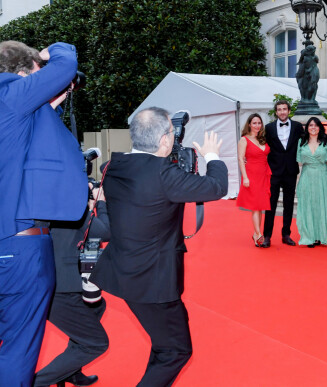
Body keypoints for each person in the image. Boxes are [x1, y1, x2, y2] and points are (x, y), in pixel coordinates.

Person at [90, 107, 228, 386]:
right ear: (165, 140)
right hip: (153, 281)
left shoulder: (112, 167)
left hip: (125, 273)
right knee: (177, 350)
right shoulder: (165, 175)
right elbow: (216, 187)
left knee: (165, 343)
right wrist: (212, 155)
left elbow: (146, 171)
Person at [0, 41, 88, 386]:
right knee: (17, 349)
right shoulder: (12, 91)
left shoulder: (18, 110)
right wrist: (56, 50)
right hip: (17, 246)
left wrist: (46, 108)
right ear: (24, 74)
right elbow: (65, 68)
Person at [34, 182, 110, 387]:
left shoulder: (48, 205)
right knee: (96, 343)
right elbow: (105, 232)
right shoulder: (73, 210)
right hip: (60, 288)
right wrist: (101, 204)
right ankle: (36, 383)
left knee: (96, 306)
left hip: (57, 278)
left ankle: (71, 372)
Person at [262, 100, 302, 248]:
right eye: (279, 110)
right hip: (274, 172)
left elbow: (306, 141)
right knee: (270, 205)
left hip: (291, 172)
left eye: (284, 109)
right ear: (276, 112)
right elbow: (262, 146)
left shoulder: (297, 127)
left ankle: (286, 234)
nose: (282, 112)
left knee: (289, 205)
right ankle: (267, 236)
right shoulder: (269, 128)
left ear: (289, 110)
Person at [295, 117, 327, 247]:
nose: (313, 127)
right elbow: (298, 159)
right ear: (307, 127)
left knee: (321, 204)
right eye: (310, 125)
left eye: (316, 125)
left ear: (320, 127)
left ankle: (319, 235)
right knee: (307, 205)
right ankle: (309, 236)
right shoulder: (301, 141)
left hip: (322, 175)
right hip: (307, 176)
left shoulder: (326, 141)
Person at [236, 113, 271, 247]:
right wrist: (245, 177)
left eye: (259, 123)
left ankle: (257, 234)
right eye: (254, 123)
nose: (257, 125)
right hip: (251, 174)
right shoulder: (244, 140)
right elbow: (240, 158)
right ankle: (258, 233)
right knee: (255, 206)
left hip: (264, 174)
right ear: (249, 124)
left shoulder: (262, 139)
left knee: (260, 206)